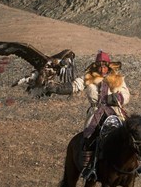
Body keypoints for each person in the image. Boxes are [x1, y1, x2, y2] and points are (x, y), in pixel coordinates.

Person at [46, 50, 131, 179]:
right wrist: (57, 88)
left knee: (129, 135)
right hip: (96, 112)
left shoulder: (118, 78)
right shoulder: (88, 77)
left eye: (104, 65)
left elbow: (126, 94)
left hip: (115, 111)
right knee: (89, 136)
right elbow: (75, 85)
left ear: (108, 66)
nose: (102, 68)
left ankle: (135, 165)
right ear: (96, 66)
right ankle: (89, 167)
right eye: (99, 65)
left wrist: (114, 98)